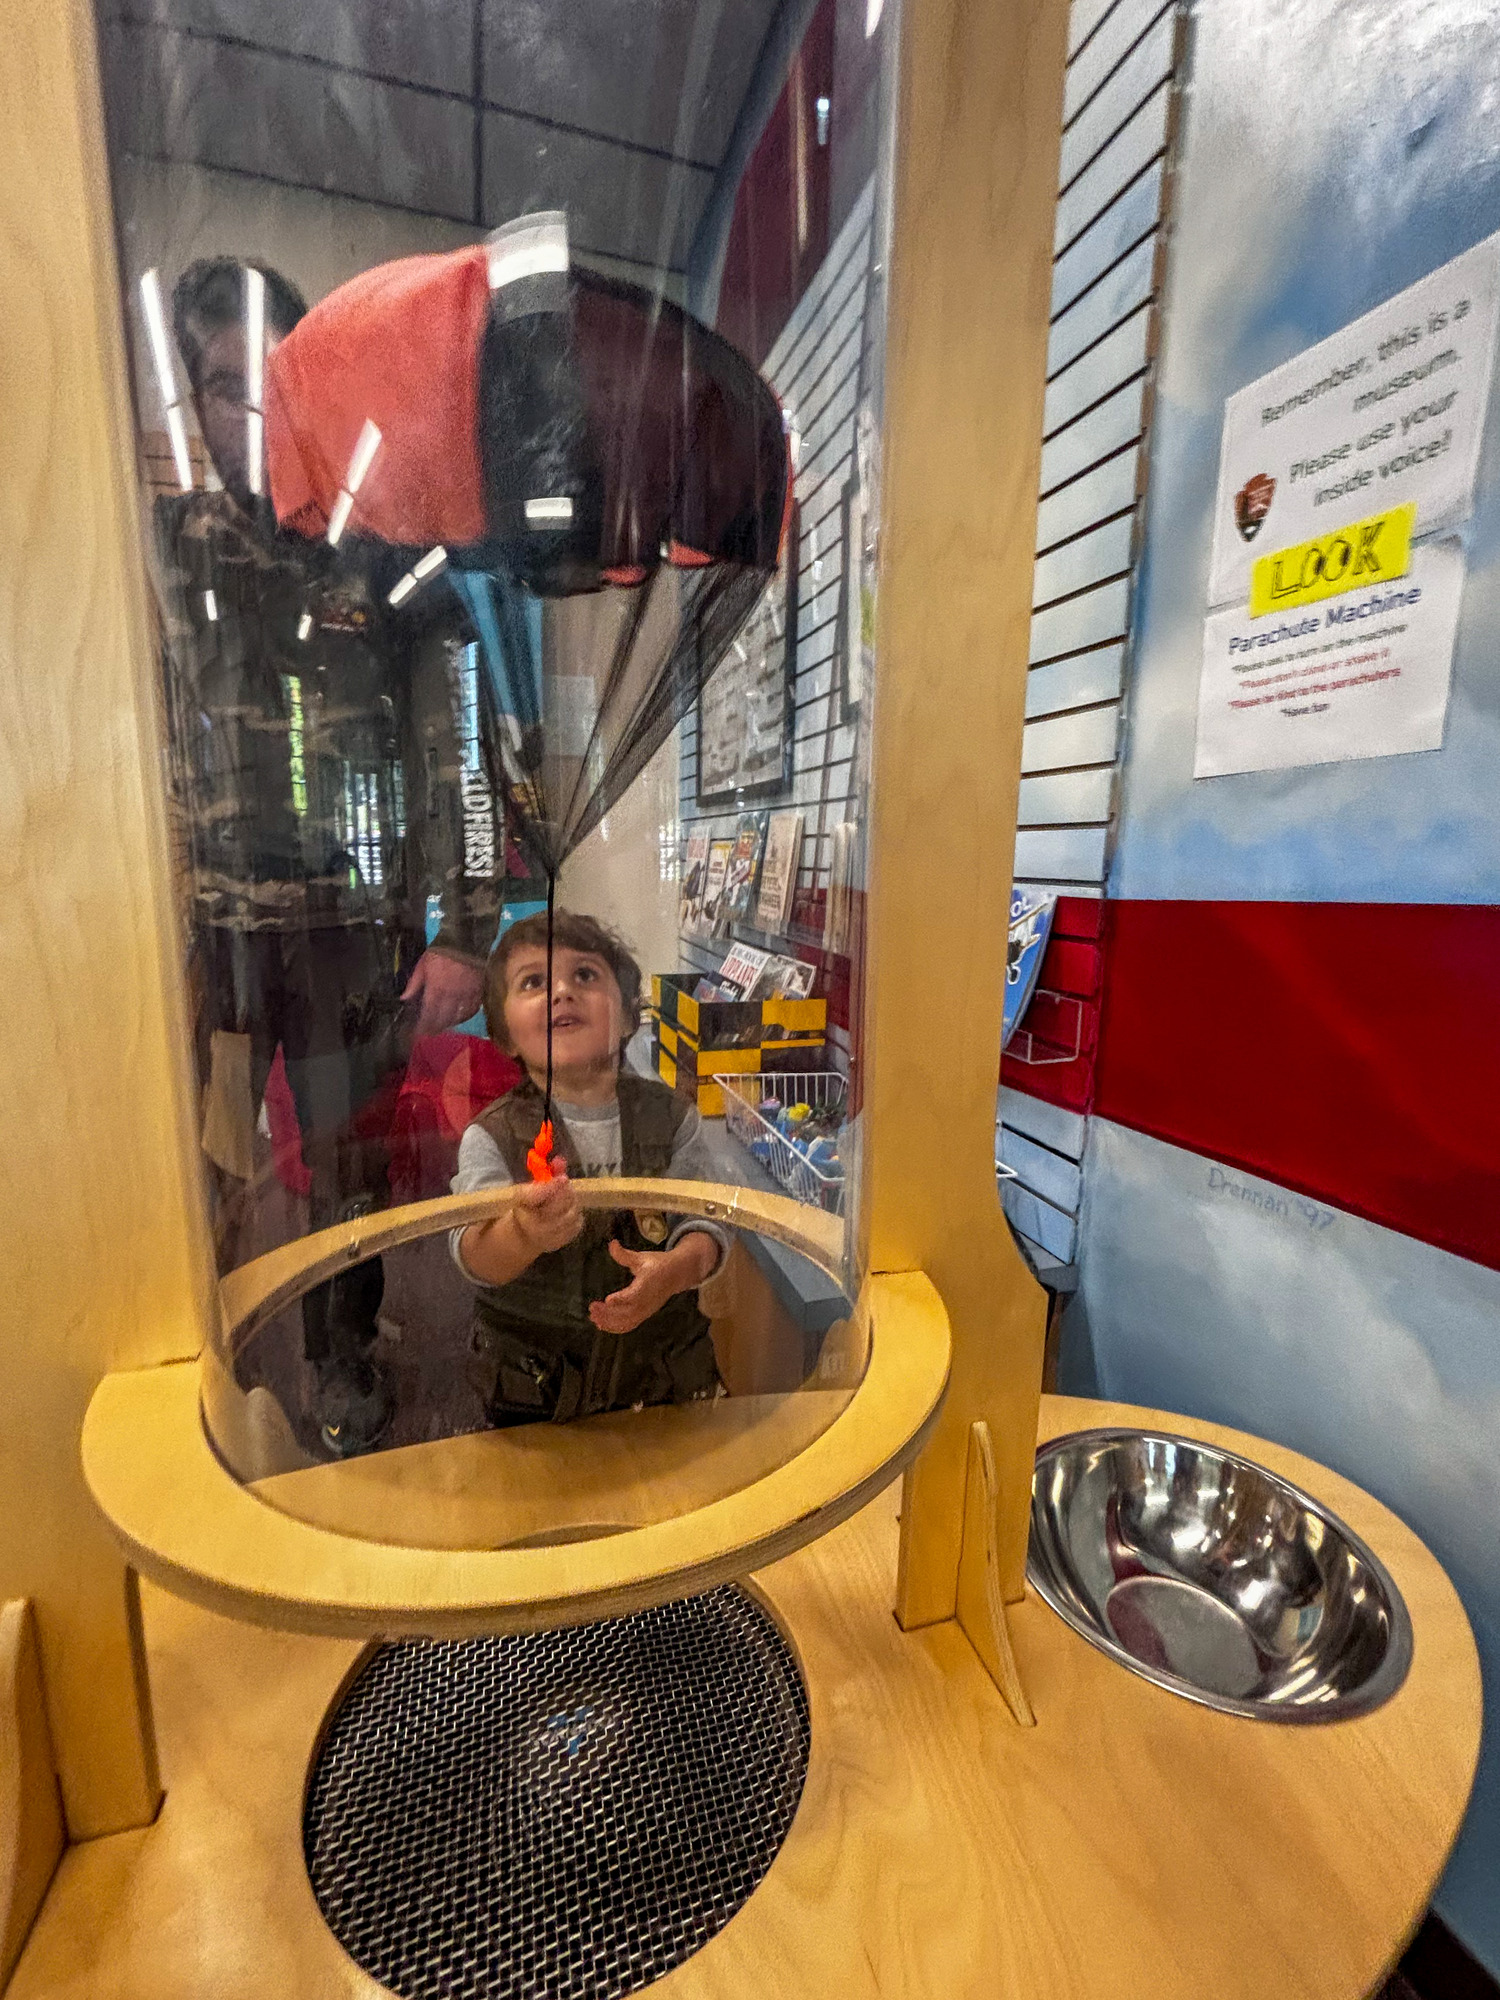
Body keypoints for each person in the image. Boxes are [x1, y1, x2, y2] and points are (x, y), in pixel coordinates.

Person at [154, 256, 502, 1456]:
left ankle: (344, 1359)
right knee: (189, 1166)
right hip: (198, 934)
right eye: (219, 385)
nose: (248, 411)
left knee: (350, 1162)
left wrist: (464, 926)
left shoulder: (387, 549)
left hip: (353, 931)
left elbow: (450, 742)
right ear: (191, 402)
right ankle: (191, 1362)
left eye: (272, 379)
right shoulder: (157, 554)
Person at [451, 912, 727, 1425]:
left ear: (626, 1017)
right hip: (535, 1395)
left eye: (586, 975)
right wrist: (522, 1233)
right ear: (504, 1033)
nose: (562, 992)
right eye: (533, 982)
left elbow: (706, 1223)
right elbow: (475, 1257)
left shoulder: (674, 1119)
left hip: (663, 1385)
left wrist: (675, 1272)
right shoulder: (488, 1137)